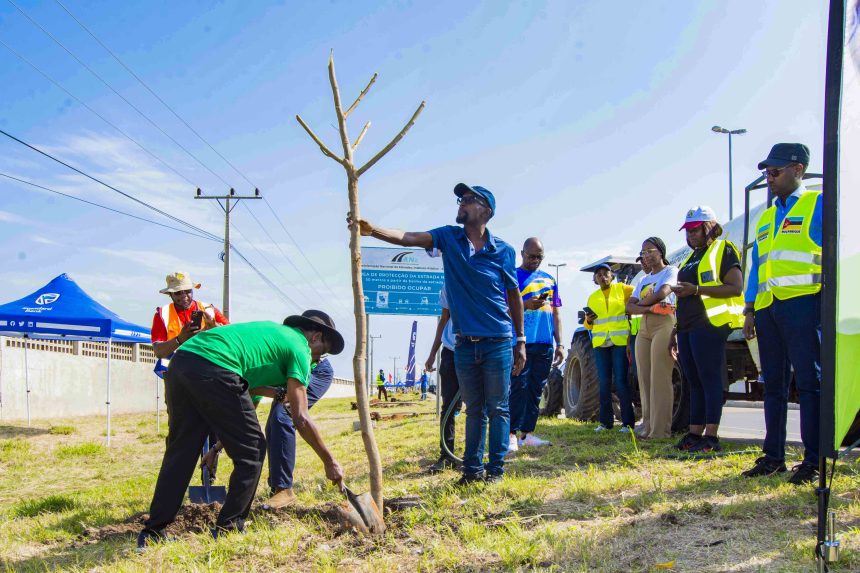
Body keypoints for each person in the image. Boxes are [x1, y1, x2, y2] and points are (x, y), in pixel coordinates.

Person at [348, 182, 525, 485]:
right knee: (474, 410)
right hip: (464, 345)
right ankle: (471, 471)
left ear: (486, 210)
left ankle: (495, 471)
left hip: (498, 341)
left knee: (498, 408)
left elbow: (514, 296)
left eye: (468, 199)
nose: (461, 203)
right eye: (460, 199)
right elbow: (409, 238)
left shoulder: (504, 251)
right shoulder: (448, 237)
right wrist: (372, 229)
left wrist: (519, 340)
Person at [137, 311, 345, 547]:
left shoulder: (271, 335)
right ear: (315, 336)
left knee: (181, 449)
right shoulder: (300, 349)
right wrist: (329, 461)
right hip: (215, 368)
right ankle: (229, 527)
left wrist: (216, 448)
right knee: (253, 451)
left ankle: (153, 532)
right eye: (322, 352)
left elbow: (242, 405)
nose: (318, 360)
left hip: (182, 362)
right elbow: (301, 418)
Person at [740, 143, 822, 486]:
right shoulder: (766, 216)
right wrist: (749, 308)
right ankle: (773, 457)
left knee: (808, 383)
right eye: (766, 174)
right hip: (768, 308)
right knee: (771, 384)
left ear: (797, 170)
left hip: (805, 304)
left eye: (775, 172)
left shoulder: (817, 204)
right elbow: (757, 267)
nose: (769, 179)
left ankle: (814, 459)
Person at [669, 207, 744, 453]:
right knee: (693, 380)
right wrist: (675, 330)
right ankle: (694, 432)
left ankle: (711, 436)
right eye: (687, 231)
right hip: (688, 326)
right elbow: (684, 295)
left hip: (711, 324)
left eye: (695, 229)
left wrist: (697, 290)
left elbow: (735, 287)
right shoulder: (692, 257)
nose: (690, 235)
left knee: (709, 379)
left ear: (709, 227)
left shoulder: (724, 249)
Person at [150, 272, 229, 472]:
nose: (184, 296)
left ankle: (209, 473)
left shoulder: (209, 310)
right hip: (178, 377)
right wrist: (180, 338)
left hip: (209, 374)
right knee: (180, 427)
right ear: (170, 295)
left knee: (214, 424)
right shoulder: (162, 314)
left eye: (187, 291)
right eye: (178, 293)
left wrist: (214, 327)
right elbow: (159, 350)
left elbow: (230, 337)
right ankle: (174, 475)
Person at [508, 237, 564, 451]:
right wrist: (526, 304)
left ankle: (527, 434)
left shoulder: (550, 279)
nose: (535, 260)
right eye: (531, 256)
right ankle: (511, 434)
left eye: (539, 257)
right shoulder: (511, 277)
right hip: (519, 342)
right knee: (518, 388)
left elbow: (556, 312)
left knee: (536, 390)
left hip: (544, 343)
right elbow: (502, 309)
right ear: (522, 253)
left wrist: (559, 343)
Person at [626, 237, 678, 440]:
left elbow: (663, 292)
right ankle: (647, 425)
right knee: (645, 378)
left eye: (650, 251)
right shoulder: (642, 280)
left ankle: (660, 430)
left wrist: (642, 304)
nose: (646, 255)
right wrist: (647, 308)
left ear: (661, 252)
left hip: (664, 324)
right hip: (645, 327)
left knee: (660, 377)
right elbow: (629, 307)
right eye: (643, 252)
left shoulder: (670, 272)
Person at [584, 264, 635, 433]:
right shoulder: (592, 298)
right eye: (598, 275)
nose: (602, 276)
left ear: (612, 275)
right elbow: (588, 325)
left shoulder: (624, 289)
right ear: (595, 279)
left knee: (621, 381)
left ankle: (628, 423)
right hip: (601, 344)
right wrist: (589, 320)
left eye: (606, 273)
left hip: (619, 341)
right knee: (603, 383)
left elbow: (640, 293)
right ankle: (605, 423)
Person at [424, 285, 462, 473]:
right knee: (448, 406)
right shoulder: (449, 286)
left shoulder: (484, 276)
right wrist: (433, 354)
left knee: (479, 407)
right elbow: (444, 319)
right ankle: (447, 456)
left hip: (477, 351)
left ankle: (473, 457)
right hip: (451, 351)